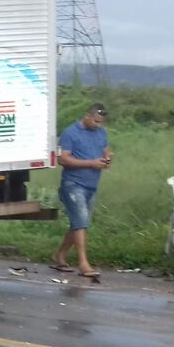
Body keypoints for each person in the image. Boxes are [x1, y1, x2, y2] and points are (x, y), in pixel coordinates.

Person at [51, 103, 112, 278]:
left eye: (101, 122)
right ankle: (83, 263)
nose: (98, 125)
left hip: (92, 185)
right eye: (95, 121)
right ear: (87, 116)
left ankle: (59, 254)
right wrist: (91, 163)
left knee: (79, 223)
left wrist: (107, 158)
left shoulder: (101, 132)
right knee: (81, 222)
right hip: (73, 184)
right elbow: (62, 159)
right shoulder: (70, 133)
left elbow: (106, 149)